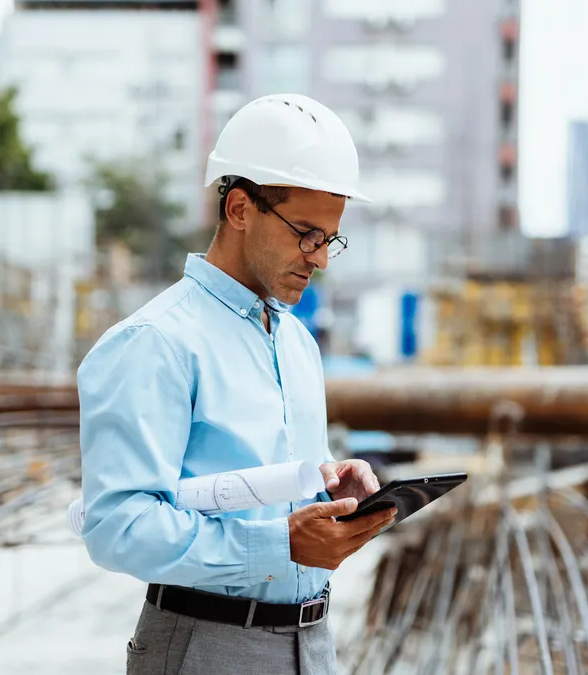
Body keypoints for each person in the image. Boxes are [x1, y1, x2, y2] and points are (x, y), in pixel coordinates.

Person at [77, 93, 397, 675]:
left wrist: (331, 487)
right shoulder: (155, 342)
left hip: (313, 642)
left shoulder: (297, 343)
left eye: (330, 238)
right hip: (208, 644)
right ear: (240, 208)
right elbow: (116, 525)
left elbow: (279, 486)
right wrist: (279, 548)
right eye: (306, 233)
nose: (321, 258)